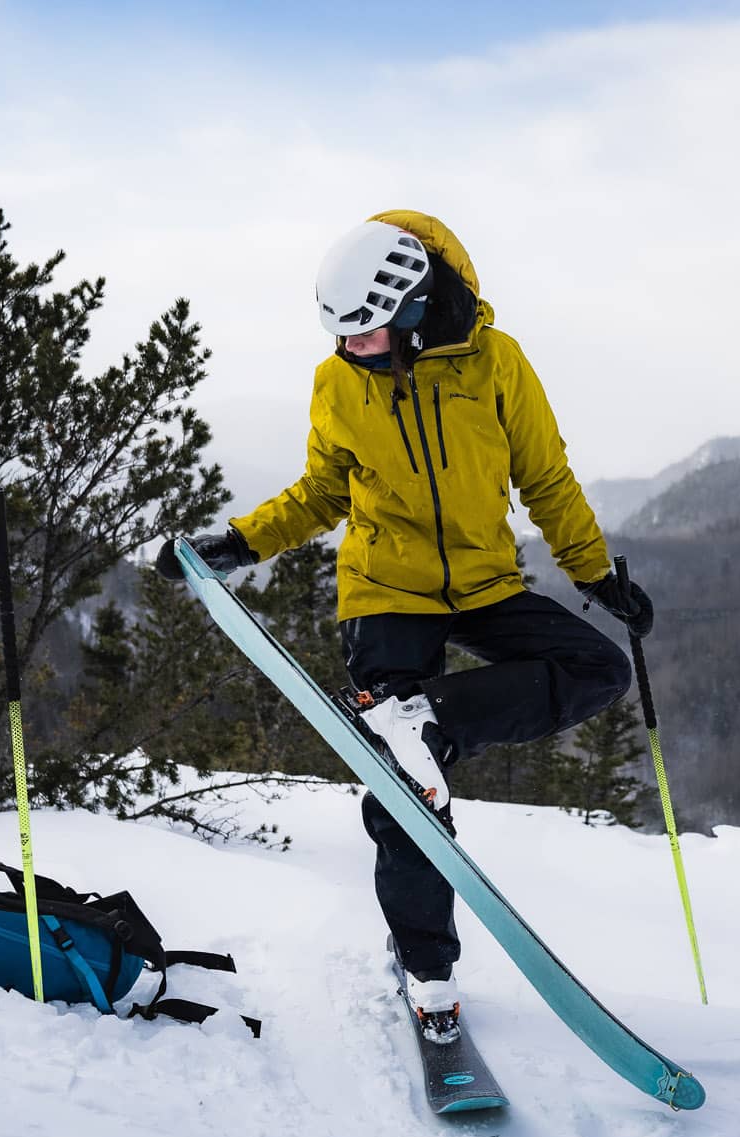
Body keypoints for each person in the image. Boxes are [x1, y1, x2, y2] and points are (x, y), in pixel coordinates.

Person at [157, 210, 652, 1023]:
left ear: (416, 310)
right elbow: (322, 492)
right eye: (340, 338)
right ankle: (427, 968)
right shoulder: (339, 381)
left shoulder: (497, 366)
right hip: (387, 590)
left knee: (599, 670)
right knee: (410, 792)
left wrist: (595, 576)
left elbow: (548, 482)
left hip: (485, 581)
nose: (349, 351)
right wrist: (243, 542)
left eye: (366, 336)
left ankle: (426, 722)